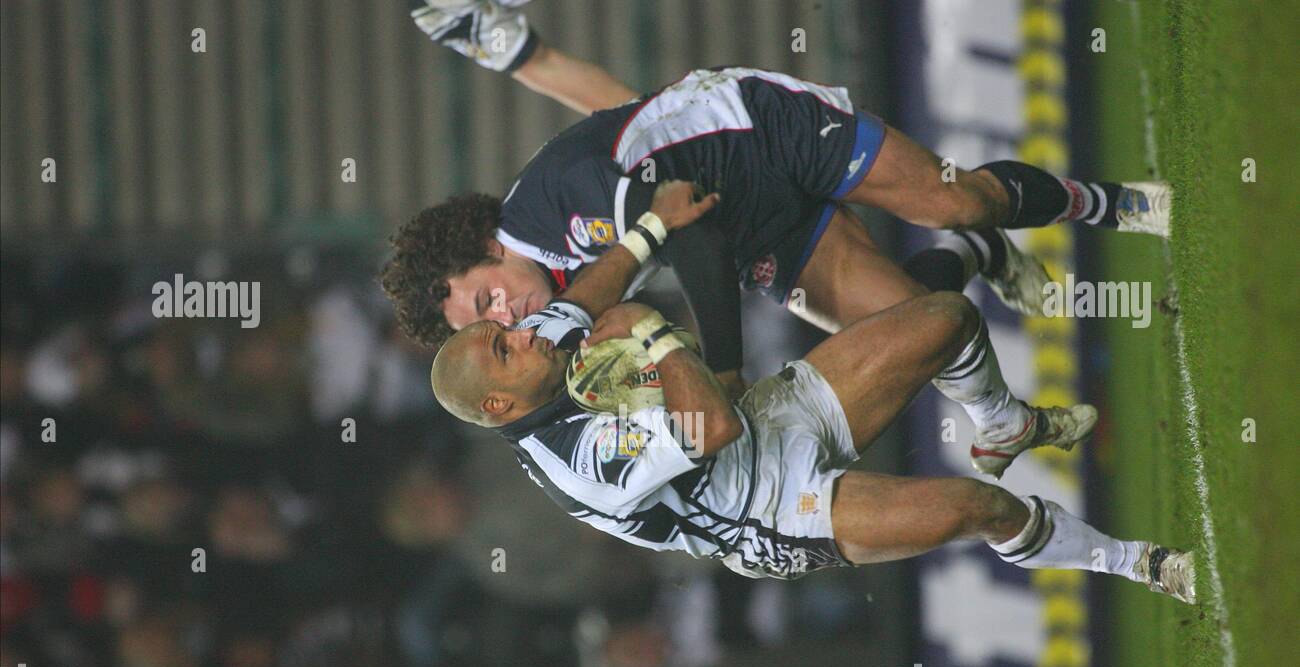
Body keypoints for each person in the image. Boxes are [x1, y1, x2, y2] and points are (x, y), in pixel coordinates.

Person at [388, 3, 1167, 475]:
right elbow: (620, 114)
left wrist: (721, 370)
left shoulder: (555, 209)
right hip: (749, 221)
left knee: (952, 201)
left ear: (486, 243)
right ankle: (1004, 412)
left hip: (761, 130)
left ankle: (1113, 204)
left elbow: (683, 235)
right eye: (494, 324)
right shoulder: (551, 297)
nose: (509, 316)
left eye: (488, 299)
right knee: (910, 328)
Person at [424, 184, 1195, 601]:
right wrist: (653, 333)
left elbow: (587, 297)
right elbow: (710, 428)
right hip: (762, 510)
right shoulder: (574, 461)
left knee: (945, 319)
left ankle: (1004, 427)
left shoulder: (542, 351)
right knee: (978, 509)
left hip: (768, 420)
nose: (522, 330)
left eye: (508, 329)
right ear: (499, 405)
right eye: (504, 347)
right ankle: (1141, 564)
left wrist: (647, 235)